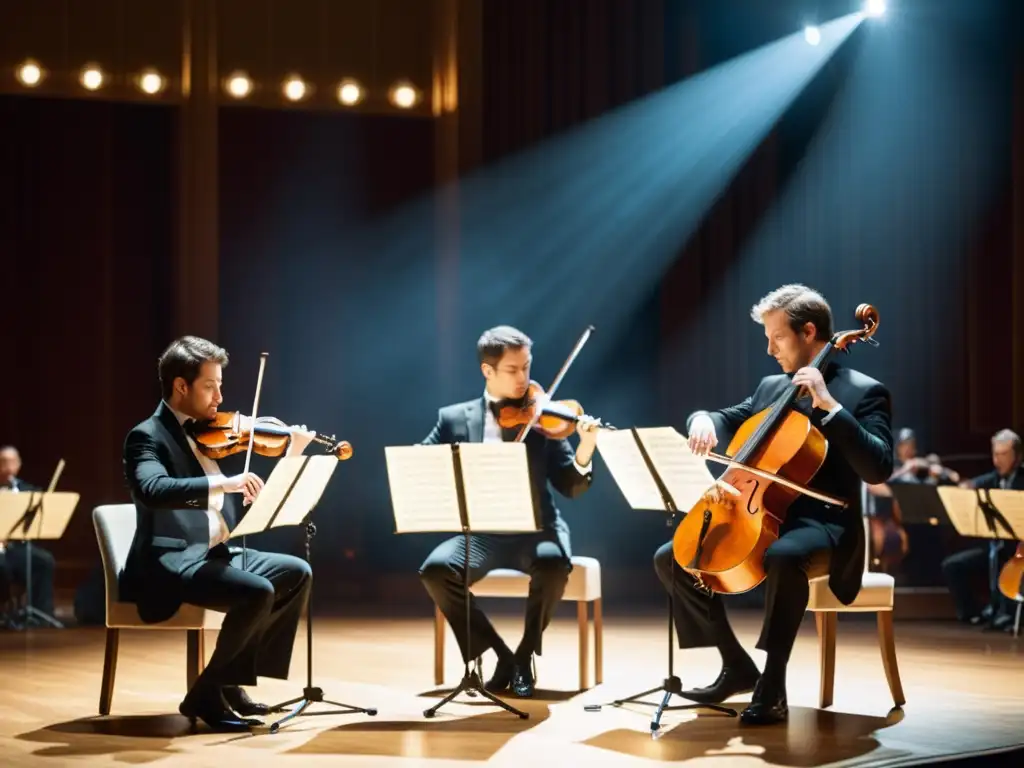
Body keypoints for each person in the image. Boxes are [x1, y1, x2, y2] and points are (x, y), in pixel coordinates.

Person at [654, 284, 893, 725]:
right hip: (763, 513)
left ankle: (772, 682)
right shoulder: (772, 387)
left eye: (776, 337)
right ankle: (735, 664)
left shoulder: (864, 392)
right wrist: (702, 419)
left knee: (785, 555)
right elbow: (726, 417)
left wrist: (829, 405)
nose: (769, 349)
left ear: (808, 332)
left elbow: (879, 467)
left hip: (826, 524)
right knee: (674, 557)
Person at [121, 336, 315, 731]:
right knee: (257, 591)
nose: (219, 397)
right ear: (181, 386)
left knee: (296, 573)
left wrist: (292, 453)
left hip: (215, 552)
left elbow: (257, 509)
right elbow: (152, 490)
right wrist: (223, 484)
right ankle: (207, 693)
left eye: (220, 385)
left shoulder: (211, 434)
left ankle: (229, 682)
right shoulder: (147, 436)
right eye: (210, 385)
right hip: (170, 559)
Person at [418, 326, 600, 698]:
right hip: (482, 533)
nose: (524, 378)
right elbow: (419, 462)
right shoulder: (453, 419)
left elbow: (571, 485)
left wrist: (586, 449)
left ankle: (526, 652)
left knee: (551, 566)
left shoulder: (543, 420)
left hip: (537, 530)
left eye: (527, 367)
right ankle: (500, 654)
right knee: (436, 571)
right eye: (513, 370)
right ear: (488, 371)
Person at [940, 428, 1023, 629]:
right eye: (995, 454)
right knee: (953, 565)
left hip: (1019, 550)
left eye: (1004, 455)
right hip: (996, 547)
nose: (997, 460)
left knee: (1004, 559)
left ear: (1018, 456)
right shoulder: (994, 478)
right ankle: (976, 613)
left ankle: (1007, 614)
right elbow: (968, 486)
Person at [0, 445, 58, 621]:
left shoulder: (28, 491)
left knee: (44, 561)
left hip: (16, 547)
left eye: (11, 463)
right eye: (3, 463)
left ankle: (41, 614)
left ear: (18, 465)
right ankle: (4, 615)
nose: (8, 468)